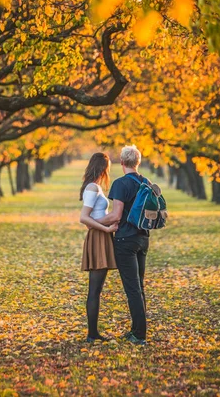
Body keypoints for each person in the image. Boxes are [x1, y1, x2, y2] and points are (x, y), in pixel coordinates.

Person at [98, 145, 149, 346]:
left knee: (132, 288)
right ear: (137, 162)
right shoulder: (145, 182)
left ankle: (139, 335)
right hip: (143, 238)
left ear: (121, 162)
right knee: (139, 286)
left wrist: (93, 222)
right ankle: (137, 330)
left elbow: (116, 215)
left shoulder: (120, 184)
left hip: (125, 240)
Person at [79, 153, 119, 343]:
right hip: (98, 236)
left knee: (97, 288)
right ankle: (91, 333)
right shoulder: (92, 188)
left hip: (101, 235)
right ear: (103, 167)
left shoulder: (94, 187)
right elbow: (84, 218)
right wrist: (106, 228)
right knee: (94, 289)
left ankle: (93, 332)